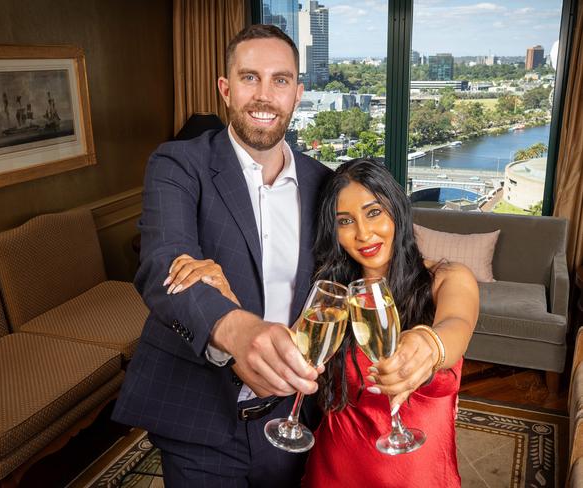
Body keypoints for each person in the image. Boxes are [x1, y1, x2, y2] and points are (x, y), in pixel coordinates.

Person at [111, 24, 332, 487]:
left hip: (294, 415)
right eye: (250, 78)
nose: (264, 95)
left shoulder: (326, 185)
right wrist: (235, 329)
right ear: (226, 89)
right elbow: (161, 261)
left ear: (297, 93)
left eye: (281, 80)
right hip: (198, 414)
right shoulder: (178, 163)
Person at [169, 158, 478, 487]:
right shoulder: (330, 299)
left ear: (397, 208)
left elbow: (456, 325)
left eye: (374, 212)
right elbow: (281, 359)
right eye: (345, 221)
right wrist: (224, 297)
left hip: (419, 476)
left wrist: (429, 345)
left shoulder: (448, 279)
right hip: (335, 470)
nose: (363, 233)